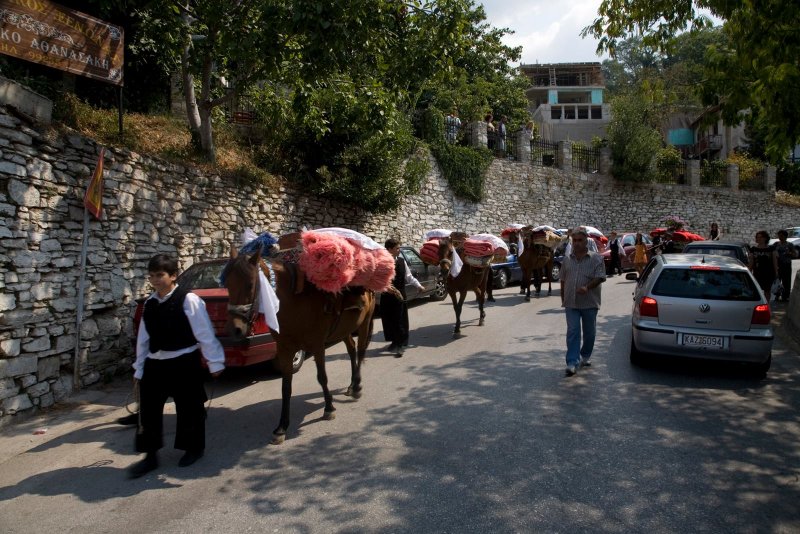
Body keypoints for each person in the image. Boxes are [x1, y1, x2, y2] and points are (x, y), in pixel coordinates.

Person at [128, 254, 225, 479]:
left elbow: (205, 333)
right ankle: (150, 456)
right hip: (155, 363)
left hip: (184, 361)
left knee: (190, 408)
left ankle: (193, 449)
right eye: (152, 276)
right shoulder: (150, 304)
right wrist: (139, 367)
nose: (155, 280)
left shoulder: (189, 300)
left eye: (160, 275)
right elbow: (144, 338)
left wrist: (215, 361)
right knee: (148, 412)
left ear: (173, 276)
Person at [560, 228, 606, 376]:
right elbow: (562, 280)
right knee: (573, 331)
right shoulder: (567, 260)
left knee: (589, 332)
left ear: (586, 241)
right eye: (575, 240)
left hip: (589, 302)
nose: (577, 243)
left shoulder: (596, 259)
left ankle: (585, 355)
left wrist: (587, 287)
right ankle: (572, 362)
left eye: (580, 240)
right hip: (571, 303)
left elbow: (600, 277)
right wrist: (563, 298)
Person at [381, 239, 425, 357]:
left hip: (399, 296)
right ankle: (394, 342)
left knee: (399, 320)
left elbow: (409, 277)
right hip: (386, 296)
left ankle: (400, 345)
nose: (399, 250)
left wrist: (419, 286)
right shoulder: (382, 262)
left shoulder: (401, 261)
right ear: (389, 249)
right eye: (397, 248)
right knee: (388, 320)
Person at [749, 230, 778, 297]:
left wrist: (776, 272)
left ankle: (767, 304)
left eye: (761, 237)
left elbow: (774, 261)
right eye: (757, 237)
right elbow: (751, 262)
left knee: (767, 290)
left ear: (765, 238)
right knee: (756, 289)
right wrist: (749, 272)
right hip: (757, 273)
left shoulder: (771, 249)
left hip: (769, 273)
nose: (759, 239)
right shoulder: (753, 249)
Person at [774, 229, 798, 301]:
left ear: (785, 236)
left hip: (786, 265)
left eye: (781, 236)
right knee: (777, 281)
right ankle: (777, 295)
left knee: (786, 281)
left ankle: (786, 296)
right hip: (778, 265)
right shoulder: (776, 244)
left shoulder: (790, 245)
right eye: (779, 235)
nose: (780, 237)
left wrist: (789, 253)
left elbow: (795, 255)